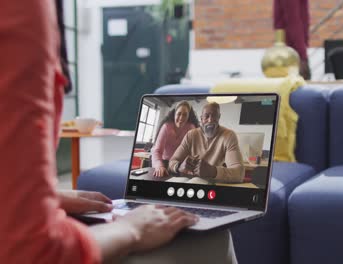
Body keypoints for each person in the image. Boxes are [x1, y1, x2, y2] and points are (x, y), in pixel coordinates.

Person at [0, 1, 236, 263]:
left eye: (209, 116)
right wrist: (130, 228)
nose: (204, 119)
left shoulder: (215, 134)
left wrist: (46, 200)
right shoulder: (23, 10)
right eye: (202, 115)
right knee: (213, 238)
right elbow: (29, 251)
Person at [169, 102, 245, 183]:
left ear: (219, 117)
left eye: (214, 116)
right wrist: (179, 166)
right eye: (206, 116)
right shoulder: (191, 135)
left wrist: (213, 171)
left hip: (210, 183)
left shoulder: (228, 136)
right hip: (187, 180)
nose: (210, 120)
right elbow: (172, 162)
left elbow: (239, 174)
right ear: (201, 119)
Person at [151, 101, 199, 177]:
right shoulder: (166, 127)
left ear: (188, 116)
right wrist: (159, 166)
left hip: (180, 165)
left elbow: (193, 151)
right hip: (164, 162)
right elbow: (157, 150)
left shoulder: (191, 128)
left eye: (185, 115)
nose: (181, 118)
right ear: (174, 114)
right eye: (179, 114)